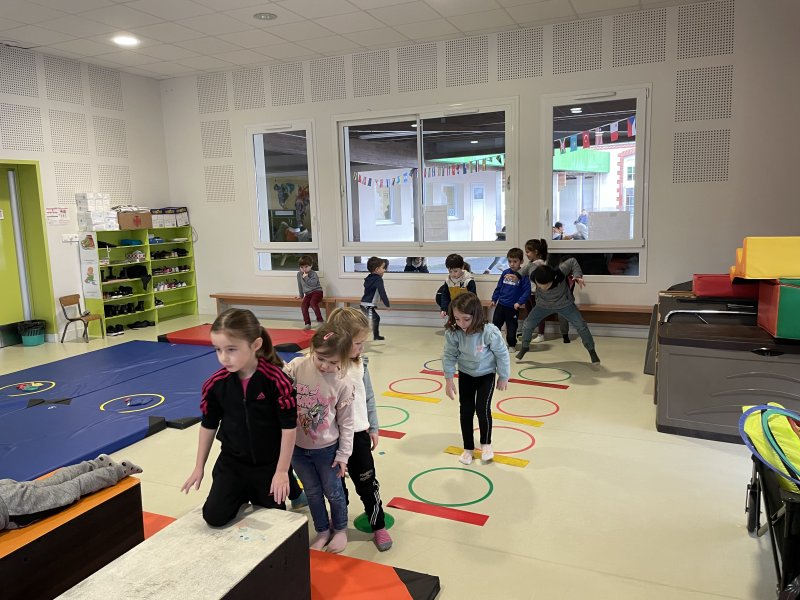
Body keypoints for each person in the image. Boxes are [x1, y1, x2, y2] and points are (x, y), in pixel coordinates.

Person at [181, 309, 297, 528]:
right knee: (214, 517)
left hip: (268, 464)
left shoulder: (275, 380)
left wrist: (281, 471)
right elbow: (208, 425)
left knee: (273, 523)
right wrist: (199, 466)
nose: (223, 357)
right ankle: (240, 490)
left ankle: (292, 486)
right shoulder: (215, 384)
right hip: (233, 463)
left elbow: (289, 427)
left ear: (255, 345)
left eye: (231, 349)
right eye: (218, 350)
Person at [327, 307, 393, 552]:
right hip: (332, 438)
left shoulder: (360, 365)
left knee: (367, 483)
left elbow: (369, 397)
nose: (362, 348)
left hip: (358, 434)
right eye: (357, 343)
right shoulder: (326, 366)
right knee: (336, 487)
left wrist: (373, 426)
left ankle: (378, 525)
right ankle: (339, 524)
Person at [285, 325, 355, 553]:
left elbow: (347, 423)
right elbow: (276, 377)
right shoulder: (298, 366)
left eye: (333, 362)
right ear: (311, 350)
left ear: (343, 359)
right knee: (313, 492)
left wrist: (343, 454)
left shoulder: (343, 382)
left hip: (327, 450)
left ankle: (341, 529)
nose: (325, 366)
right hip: (297, 448)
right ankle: (322, 530)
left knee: (334, 492)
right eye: (320, 358)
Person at [442, 292, 511, 466]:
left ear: (476, 315)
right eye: (457, 319)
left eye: (466, 319)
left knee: (482, 408)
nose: (461, 323)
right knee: (465, 411)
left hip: (486, 375)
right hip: (466, 374)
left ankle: (486, 444)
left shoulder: (489, 332)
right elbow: (449, 356)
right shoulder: (454, 332)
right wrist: (449, 380)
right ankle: (468, 448)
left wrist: (503, 376)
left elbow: (502, 354)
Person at [1, 454, 142, 530]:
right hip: (4, 489)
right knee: (53, 482)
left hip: (13, 506)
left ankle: (118, 470)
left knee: (71, 489)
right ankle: (97, 464)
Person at [516, 261, 600, 364]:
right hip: (543, 305)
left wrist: (577, 276)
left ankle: (591, 351)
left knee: (581, 325)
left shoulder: (560, 273)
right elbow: (530, 266)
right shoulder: (534, 274)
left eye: (545, 285)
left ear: (552, 279)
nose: (541, 287)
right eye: (539, 285)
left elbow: (572, 261)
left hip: (564, 305)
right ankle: (525, 347)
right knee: (528, 324)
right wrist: (517, 275)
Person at [521, 239, 571, 344]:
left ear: (536, 252)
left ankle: (541, 334)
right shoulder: (532, 263)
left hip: (536, 293)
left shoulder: (539, 263)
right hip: (529, 292)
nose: (526, 254)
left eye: (528, 252)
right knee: (529, 313)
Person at [490, 247, 530, 348]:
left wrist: (519, 302)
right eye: (509, 261)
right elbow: (499, 287)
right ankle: (494, 344)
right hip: (501, 305)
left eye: (515, 261)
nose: (512, 264)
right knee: (495, 326)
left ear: (521, 261)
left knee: (512, 327)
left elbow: (527, 291)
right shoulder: (505, 272)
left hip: (512, 307)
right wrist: (494, 299)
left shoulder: (524, 275)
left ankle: (512, 345)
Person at [436, 254, 477, 318]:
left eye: (455, 271)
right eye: (450, 271)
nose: (452, 274)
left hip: (466, 310)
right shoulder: (448, 281)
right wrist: (444, 308)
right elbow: (445, 295)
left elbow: (473, 297)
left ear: (462, 267)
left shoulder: (468, 280)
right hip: (454, 309)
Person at [360, 256, 390, 341]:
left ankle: (376, 336)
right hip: (368, 305)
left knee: (376, 318)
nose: (384, 270)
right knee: (368, 323)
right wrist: (387, 304)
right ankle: (358, 337)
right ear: (377, 269)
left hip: (365, 304)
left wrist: (378, 298)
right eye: (383, 268)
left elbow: (371, 290)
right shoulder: (378, 279)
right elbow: (382, 291)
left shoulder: (369, 278)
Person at [297, 255, 324, 330]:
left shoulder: (313, 273)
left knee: (313, 303)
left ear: (311, 266)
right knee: (303, 306)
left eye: (306, 267)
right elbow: (300, 285)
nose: (304, 269)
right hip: (308, 294)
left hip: (317, 292)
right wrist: (301, 295)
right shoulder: (299, 274)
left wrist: (306, 277)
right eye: (302, 267)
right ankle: (307, 323)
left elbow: (313, 284)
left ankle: (320, 321)